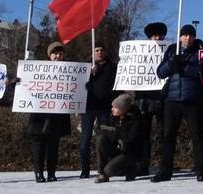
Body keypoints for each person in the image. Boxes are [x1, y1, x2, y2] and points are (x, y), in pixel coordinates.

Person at [152, 24, 203, 182]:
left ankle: (201, 170)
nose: (188, 38)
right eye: (185, 35)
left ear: (194, 37)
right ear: (180, 36)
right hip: (172, 99)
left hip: (192, 99)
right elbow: (160, 73)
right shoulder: (172, 50)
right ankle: (165, 171)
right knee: (168, 136)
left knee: (197, 135)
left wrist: (184, 67)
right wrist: (172, 64)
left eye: (191, 35)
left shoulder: (200, 51)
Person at [26, 41, 73, 183]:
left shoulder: (70, 70)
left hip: (57, 114)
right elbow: (27, 84)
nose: (58, 56)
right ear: (49, 55)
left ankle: (52, 173)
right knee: (38, 145)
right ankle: (38, 173)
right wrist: (21, 78)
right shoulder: (38, 70)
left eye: (60, 53)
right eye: (55, 53)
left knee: (54, 145)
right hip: (39, 114)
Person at [79, 43, 118, 179]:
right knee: (85, 138)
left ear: (105, 52)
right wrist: (90, 74)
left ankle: (104, 168)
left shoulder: (113, 67)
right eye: (97, 50)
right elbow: (77, 86)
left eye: (102, 50)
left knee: (104, 138)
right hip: (88, 107)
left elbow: (117, 87)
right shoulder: (84, 68)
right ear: (92, 53)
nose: (100, 52)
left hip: (105, 108)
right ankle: (84, 169)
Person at [135, 22, 167, 176]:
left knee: (163, 133)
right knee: (143, 134)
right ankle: (143, 164)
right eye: (154, 35)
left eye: (160, 35)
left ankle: (164, 164)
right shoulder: (140, 52)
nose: (157, 37)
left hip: (162, 97)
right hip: (144, 98)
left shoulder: (168, 51)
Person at [94, 93, 145, 183]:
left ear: (123, 108)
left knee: (109, 170)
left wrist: (113, 132)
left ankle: (131, 168)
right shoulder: (112, 117)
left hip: (129, 153)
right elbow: (99, 129)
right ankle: (102, 173)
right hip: (116, 148)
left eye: (115, 107)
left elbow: (130, 140)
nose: (112, 109)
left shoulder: (135, 120)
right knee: (101, 139)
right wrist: (116, 133)